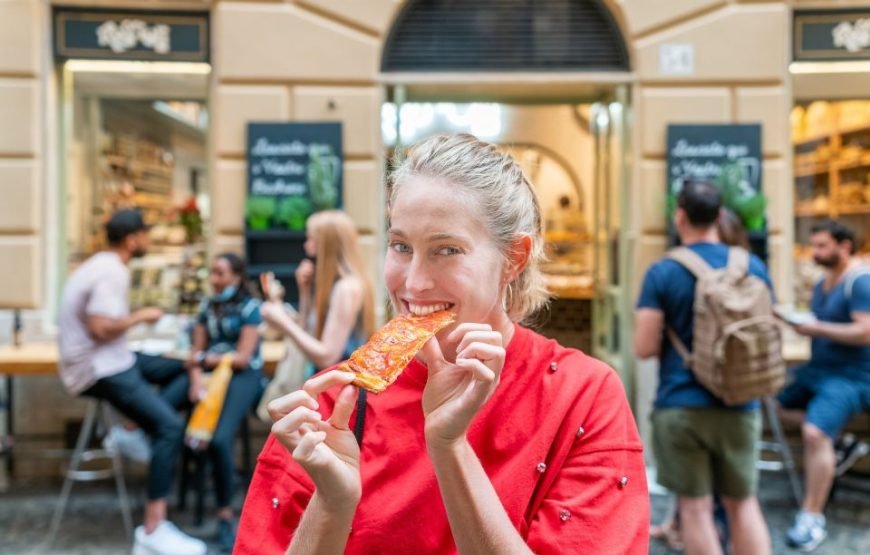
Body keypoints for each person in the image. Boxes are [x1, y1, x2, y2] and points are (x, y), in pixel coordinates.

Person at [235, 133, 649, 554]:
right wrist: (332, 504)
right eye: (400, 246)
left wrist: (449, 448)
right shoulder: (332, 404)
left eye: (446, 250)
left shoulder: (582, 397)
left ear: (515, 258)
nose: (413, 283)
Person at [634, 180, 772, 555]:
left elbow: (644, 347)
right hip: (741, 402)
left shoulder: (663, 271)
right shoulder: (752, 265)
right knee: (743, 503)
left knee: (695, 510)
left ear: (680, 216)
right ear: (718, 215)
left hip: (681, 404)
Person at [57, 209, 206, 555]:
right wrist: (142, 315)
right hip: (98, 369)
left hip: (112, 359)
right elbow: (99, 327)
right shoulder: (112, 271)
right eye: (146, 234)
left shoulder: (100, 264)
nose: (148, 240)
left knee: (183, 366)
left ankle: (129, 429)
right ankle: (153, 529)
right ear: (132, 238)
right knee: (169, 427)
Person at [776, 219, 870, 551]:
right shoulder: (822, 283)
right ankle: (839, 441)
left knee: (815, 432)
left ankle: (811, 517)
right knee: (776, 408)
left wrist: (817, 329)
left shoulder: (860, 282)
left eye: (822, 246)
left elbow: (865, 331)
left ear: (844, 247)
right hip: (818, 370)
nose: (815, 252)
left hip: (852, 376)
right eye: (814, 245)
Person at [161, 253, 264, 552]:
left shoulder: (250, 308)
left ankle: (224, 515)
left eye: (220, 274)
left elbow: (243, 358)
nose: (214, 280)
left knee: (219, 440)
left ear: (237, 276)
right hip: (207, 374)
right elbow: (195, 352)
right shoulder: (207, 306)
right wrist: (195, 379)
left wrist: (205, 360)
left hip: (241, 375)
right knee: (166, 412)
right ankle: (171, 494)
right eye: (213, 273)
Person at [259, 210, 375, 375]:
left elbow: (327, 357)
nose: (306, 245)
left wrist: (283, 322)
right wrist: (304, 291)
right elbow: (307, 331)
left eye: (311, 238)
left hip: (337, 388)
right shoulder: (337, 284)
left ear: (327, 244)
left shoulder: (346, 288)